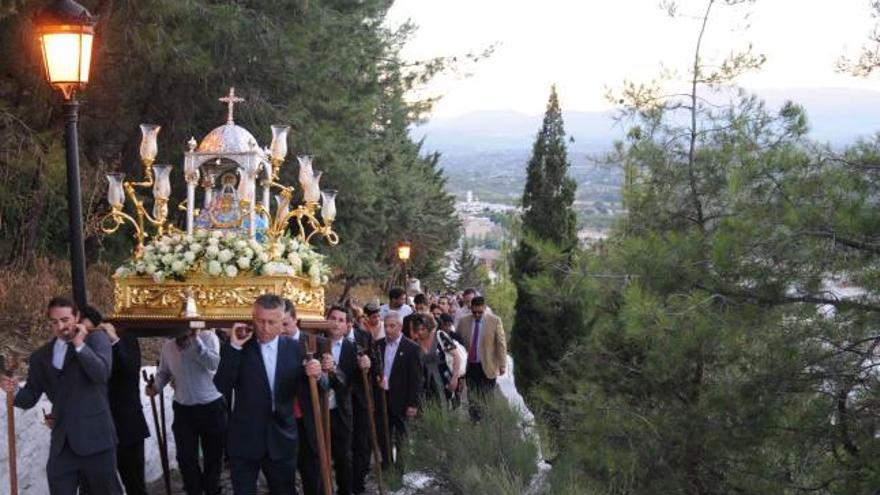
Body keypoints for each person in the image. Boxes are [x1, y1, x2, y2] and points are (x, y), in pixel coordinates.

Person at [0, 297, 119, 495]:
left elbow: (101, 374)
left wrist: (79, 344)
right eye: (54, 322)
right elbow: (29, 398)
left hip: (97, 440)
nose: (60, 326)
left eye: (65, 320)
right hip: (62, 446)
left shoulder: (96, 339)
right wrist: (14, 390)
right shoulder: (40, 357)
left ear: (77, 317)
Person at [214, 294, 324, 495]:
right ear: (252, 318)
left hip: (281, 438)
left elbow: (318, 387)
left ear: (282, 322)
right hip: (245, 438)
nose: (264, 328)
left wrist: (317, 375)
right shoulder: (240, 346)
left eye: (271, 322)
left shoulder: (295, 348)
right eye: (259, 321)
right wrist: (234, 347)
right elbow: (222, 385)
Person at [147, 327, 226, 495]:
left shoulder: (208, 337)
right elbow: (163, 372)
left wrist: (196, 341)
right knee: (185, 458)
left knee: (214, 456)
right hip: (183, 409)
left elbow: (213, 364)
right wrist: (155, 386)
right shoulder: (168, 346)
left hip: (211, 405)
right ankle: (194, 490)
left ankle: (212, 490)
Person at [81, 306, 150, 495]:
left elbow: (129, 369)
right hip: (97, 430)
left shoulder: (125, 339)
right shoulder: (79, 347)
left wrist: (113, 339)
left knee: (134, 484)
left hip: (127, 426)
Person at [324, 306, 371, 495]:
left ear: (347, 325)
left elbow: (357, 382)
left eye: (341, 320)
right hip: (317, 409)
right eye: (333, 318)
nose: (336, 323)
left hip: (341, 409)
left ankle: (346, 490)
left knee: (343, 455)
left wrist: (366, 367)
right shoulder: (312, 343)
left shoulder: (354, 349)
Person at [375, 311, 422, 467]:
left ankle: (401, 468)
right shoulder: (379, 345)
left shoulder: (411, 348)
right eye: (386, 326)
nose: (388, 330)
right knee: (384, 434)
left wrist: (413, 404)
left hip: (402, 399)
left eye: (392, 326)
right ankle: (387, 464)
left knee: (402, 436)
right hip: (383, 397)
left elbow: (416, 379)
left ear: (400, 327)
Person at [455, 297, 507, 420]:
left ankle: (486, 421)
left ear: (484, 308)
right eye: (474, 312)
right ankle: (475, 420)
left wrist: (503, 364)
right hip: (470, 365)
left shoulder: (495, 321)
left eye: (480, 312)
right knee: (472, 395)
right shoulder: (463, 322)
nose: (477, 315)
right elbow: (457, 342)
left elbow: (501, 343)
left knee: (487, 396)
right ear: (471, 309)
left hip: (488, 365)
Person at [412, 314, 463, 408]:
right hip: (426, 386)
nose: (419, 332)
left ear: (429, 328)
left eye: (423, 329)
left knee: (446, 410)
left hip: (444, 381)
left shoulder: (440, 336)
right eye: (417, 329)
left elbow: (456, 356)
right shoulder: (415, 342)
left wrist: (455, 378)